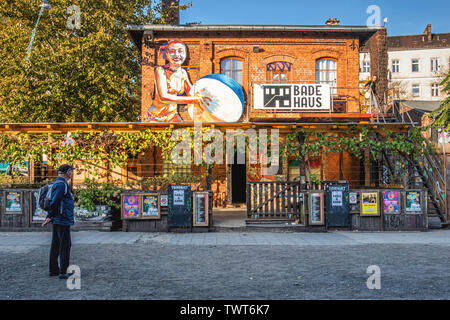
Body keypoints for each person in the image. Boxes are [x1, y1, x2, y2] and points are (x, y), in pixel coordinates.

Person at [147, 39, 216, 122]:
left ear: (185, 54)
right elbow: (164, 97)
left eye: (180, 51)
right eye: (172, 51)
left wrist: (207, 97)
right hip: (155, 117)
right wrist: (193, 100)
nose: (177, 55)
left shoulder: (183, 73)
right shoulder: (160, 71)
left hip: (172, 117)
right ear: (167, 54)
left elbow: (192, 92)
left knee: (184, 133)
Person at [41, 164, 75, 279]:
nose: (72, 173)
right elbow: (55, 202)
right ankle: (63, 271)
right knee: (65, 245)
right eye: (71, 171)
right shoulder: (62, 185)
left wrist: (50, 216)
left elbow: (55, 202)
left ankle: (54, 270)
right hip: (62, 219)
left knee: (56, 244)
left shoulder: (58, 183)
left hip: (58, 218)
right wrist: (49, 216)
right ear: (67, 172)